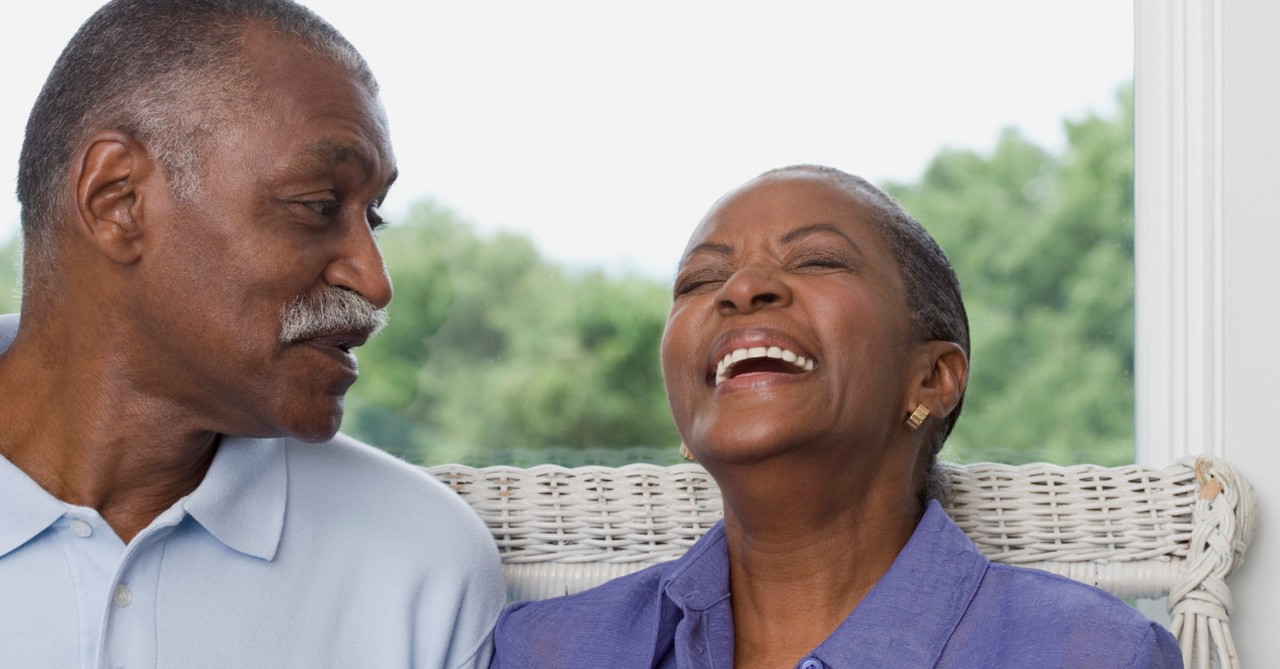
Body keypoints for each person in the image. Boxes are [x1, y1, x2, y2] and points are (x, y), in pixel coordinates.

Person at [491, 165, 1182, 668]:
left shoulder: (1092, 653)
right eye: (700, 280)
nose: (741, 288)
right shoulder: (543, 649)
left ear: (933, 377)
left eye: (818, 260)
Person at [0, 1, 504, 667]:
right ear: (118, 200)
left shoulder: (422, 564)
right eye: (318, 206)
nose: (375, 282)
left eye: (372, 218)